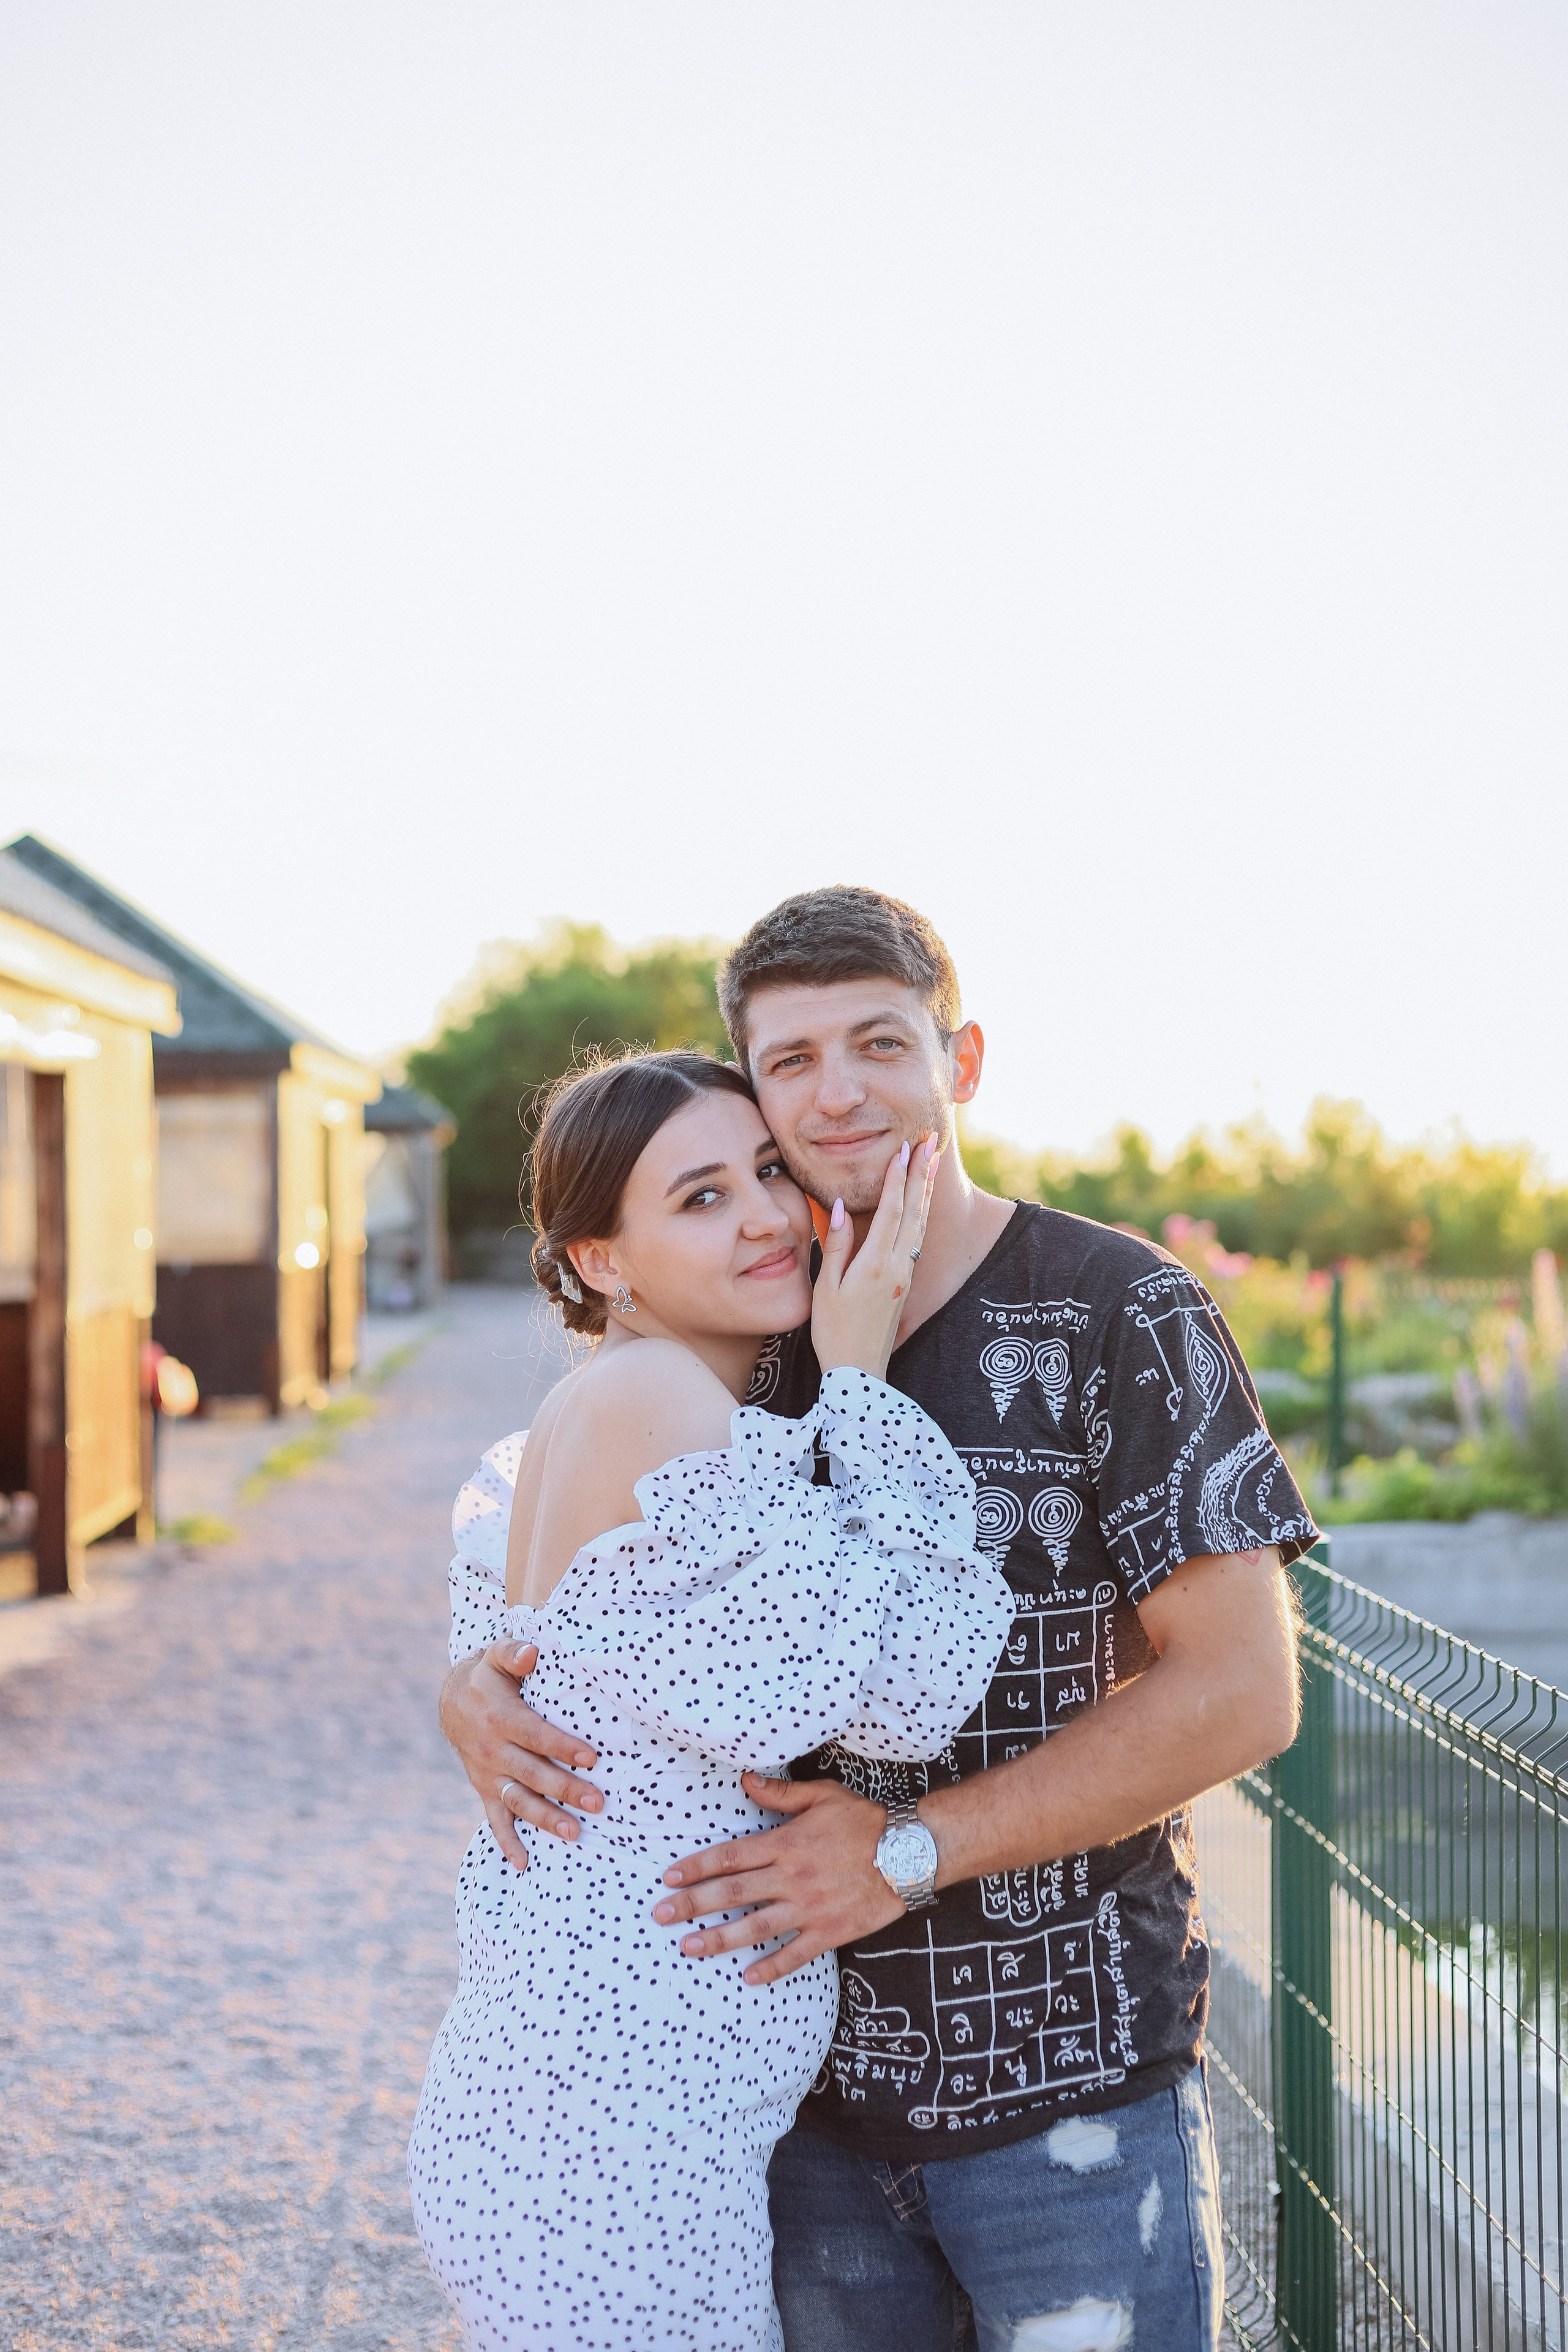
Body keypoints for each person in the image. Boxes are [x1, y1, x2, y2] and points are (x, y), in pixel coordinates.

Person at [442, 889, 1317, 2351]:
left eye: (878, 1043)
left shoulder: (1118, 1309)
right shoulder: (750, 1333)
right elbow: (584, 1575)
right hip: (796, 2124)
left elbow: (1242, 1692)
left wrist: (907, 1851)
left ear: (957, 1061)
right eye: (789, 1061)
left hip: (1061, 2095)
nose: (836, 1093)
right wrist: (479, 1681)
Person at [409, 1047, 1014, 2352]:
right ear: (600, 1261)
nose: (766, 1216)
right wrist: (860, 1379)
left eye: (768, 1172)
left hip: (592, 2118)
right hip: (605, 2144)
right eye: (700, 1197)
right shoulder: (655, 1396)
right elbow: (904, 1696)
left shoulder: (622, 1402)